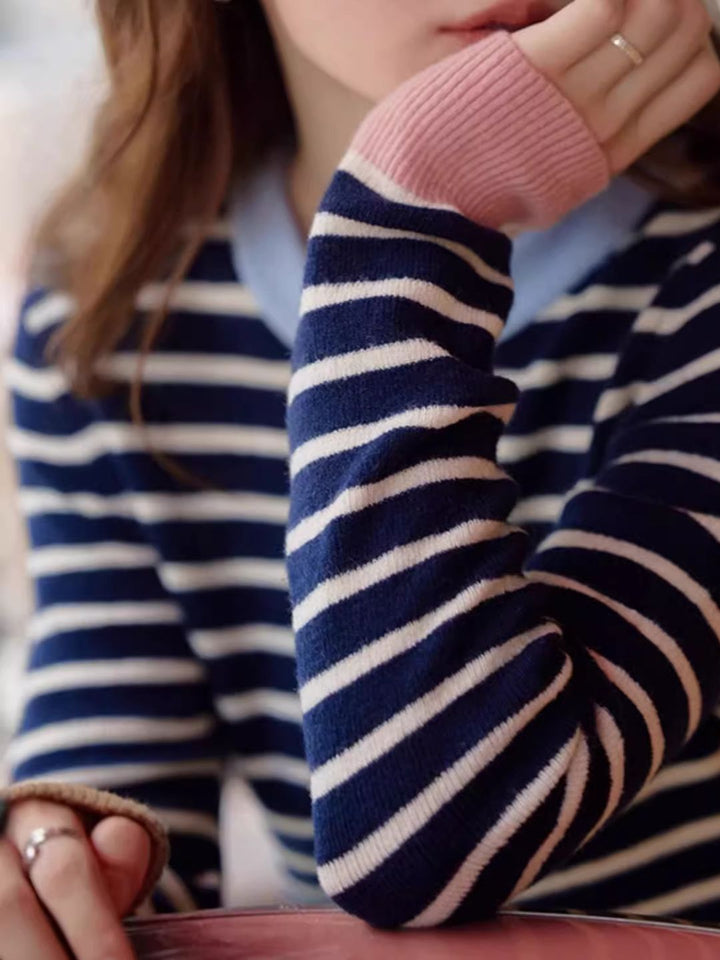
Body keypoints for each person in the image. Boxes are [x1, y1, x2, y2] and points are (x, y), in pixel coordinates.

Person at [2, 0, 720, 955]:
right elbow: (120, 721)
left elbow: (435, 836)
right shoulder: (106, 314)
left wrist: (411, 221)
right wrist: (60, 856)